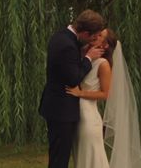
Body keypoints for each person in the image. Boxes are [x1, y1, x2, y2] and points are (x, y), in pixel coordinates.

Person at [66, 28, 141, 168]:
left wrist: (80, 93)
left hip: (88, 118)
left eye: (100, 35)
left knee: (91, 159)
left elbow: (106, 93)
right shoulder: (85, 58)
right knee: (81, 159)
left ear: (105, 45)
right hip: (77, 115)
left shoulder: (103, 64)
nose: (96, 35)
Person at [39, 9, 105, 168]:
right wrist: (89, 58)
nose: (95, 40)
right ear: (84, 32)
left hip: (57, 107)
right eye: (93, 36)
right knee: (60, 158)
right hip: (61, 110)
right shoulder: (68, 45)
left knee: (58, 155)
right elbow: (73, 78)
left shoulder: (61, 36)